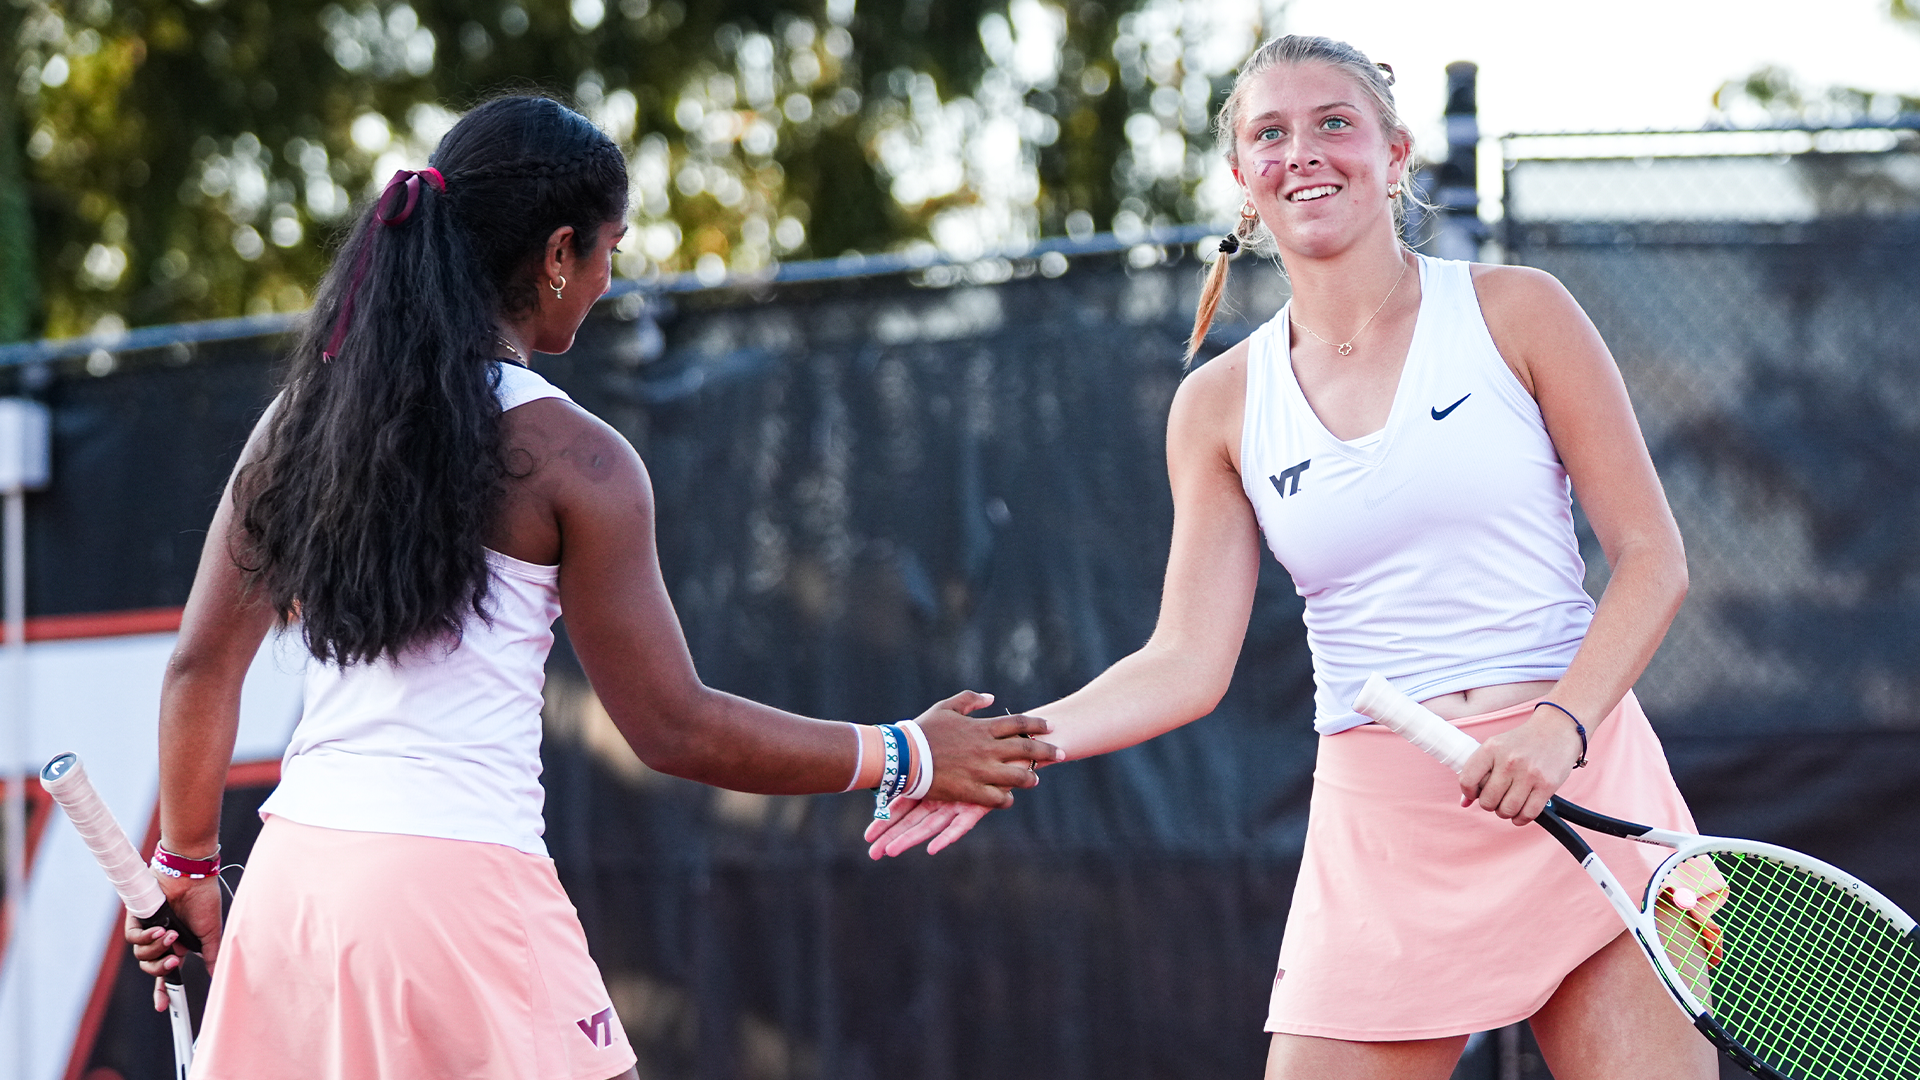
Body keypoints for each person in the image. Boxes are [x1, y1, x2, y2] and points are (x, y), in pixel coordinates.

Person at [126, 95, 1058, 1080]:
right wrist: (909, 752)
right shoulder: (580, 459)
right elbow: (676, 728)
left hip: (295, 887)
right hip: (457, 889)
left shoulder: (297, 422)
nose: (611, 278)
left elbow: (198, 666)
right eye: (611, 247)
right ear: (559, 252)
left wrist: (186, 862)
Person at [866, 35, 1719, 1080]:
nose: (1303, 152)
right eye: (1270, 133)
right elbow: (1184, 660)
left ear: (1394, 155)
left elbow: (1653, 558)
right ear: (1243, 177)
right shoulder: (1218, 404)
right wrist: (1008, 748)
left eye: (1334, 123)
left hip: (1586, 786)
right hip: (1385, 830)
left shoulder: (1520, 311)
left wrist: (1559, 728)